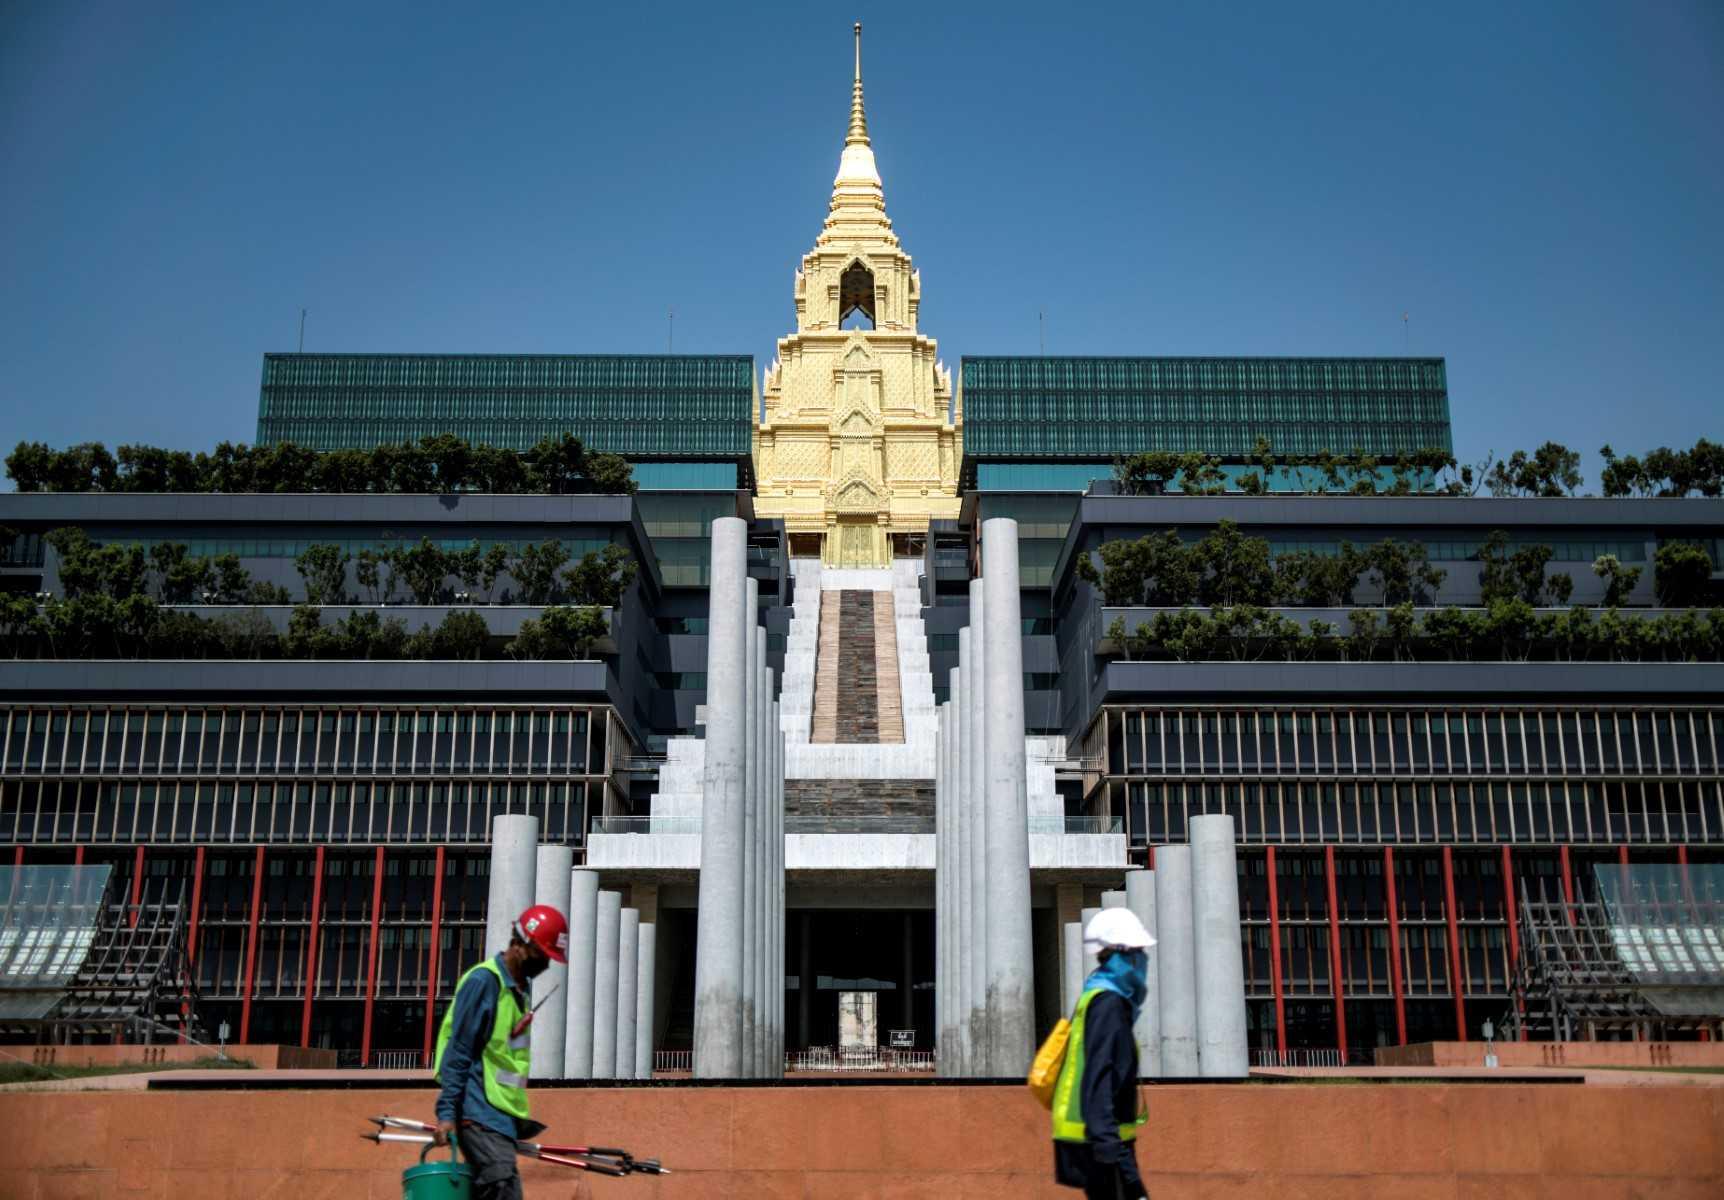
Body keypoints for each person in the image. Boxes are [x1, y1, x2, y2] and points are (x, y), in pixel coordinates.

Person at [431, 904, 568, 1200]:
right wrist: (446, 1113)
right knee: (501, 1187)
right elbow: (459, 1051)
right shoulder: (484, 982)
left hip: (501, 1116)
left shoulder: (519, 990)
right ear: (519, 944)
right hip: (478, 1111)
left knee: (500, 1189)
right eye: (541, 954)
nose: (545, 963)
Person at [1051, 908, 1155, 1199]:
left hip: (1104, 1141)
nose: (1143, 958)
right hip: (1104, 1146)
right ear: (1119, 953)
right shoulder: (1107, 1004)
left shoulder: (1101, 998)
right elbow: (1099, 1075)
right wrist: (1108, 1146)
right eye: (1137, 951)